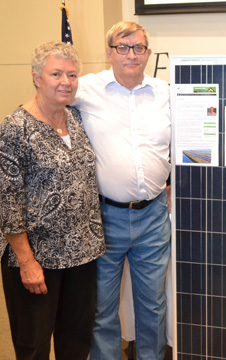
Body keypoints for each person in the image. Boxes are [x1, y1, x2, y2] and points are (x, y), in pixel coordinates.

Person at [0, 41, 105, 360]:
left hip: (83, 255)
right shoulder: (14, 128)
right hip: (37, 260)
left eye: (72, 74)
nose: (66, 81)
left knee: (77, 341)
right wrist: (27, 263)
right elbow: (7, 203)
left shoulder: (75, 118)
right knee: (33, 346)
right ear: (36, 77)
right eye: (56, 73)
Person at [73, 21, 171, 360]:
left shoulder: (165, 92)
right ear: (109, 51)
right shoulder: (84, 89)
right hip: (103, 218)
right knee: (101, 309)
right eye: (123, 47)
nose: (132, 55)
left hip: (154, 217)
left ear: (148, 51)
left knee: (153, 306)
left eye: (139, 47)